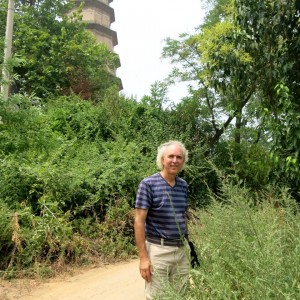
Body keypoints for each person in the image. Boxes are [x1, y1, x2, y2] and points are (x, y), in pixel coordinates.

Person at [134, 140, 191, 299]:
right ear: (162, 159)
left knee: (181, 296)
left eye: (179, 157)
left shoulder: (183, 186)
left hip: (181, 251)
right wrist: (143, 257)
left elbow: (182, 218)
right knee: (158, 297)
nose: (174, 160)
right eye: (170, 156)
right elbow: (139, 221)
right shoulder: (148, 184)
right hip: (158, 251)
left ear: (183, 161)